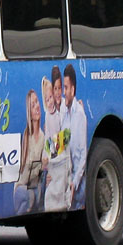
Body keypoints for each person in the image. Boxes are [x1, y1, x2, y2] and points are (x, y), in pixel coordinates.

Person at [42, 65, 71, 211]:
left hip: (65, 163)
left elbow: (68, 138)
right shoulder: (49, 115)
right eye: (55, 89)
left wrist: (52, 147)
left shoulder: (66, 109)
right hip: (54, 165)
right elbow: (48, 145)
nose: (58, 93)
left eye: (60, 89)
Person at [13, 88, 44, 214]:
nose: (37, 106)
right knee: (25, 195)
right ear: (29, 113)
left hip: (35, 187)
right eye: (33, 105)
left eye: (37, 102)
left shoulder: (43, 137)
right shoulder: (26, 136)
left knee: (32, 195)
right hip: (23, 187)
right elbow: (25, 173)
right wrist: (40, 166)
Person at [61, 63, 88, 210]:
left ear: (73, 89)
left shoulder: (79, 115)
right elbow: (62, 145)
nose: (64, 92)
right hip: (67, 180)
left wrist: (74, 183)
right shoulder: (65, 114)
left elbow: (82, 155)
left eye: (66, 88)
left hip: (77, 186)